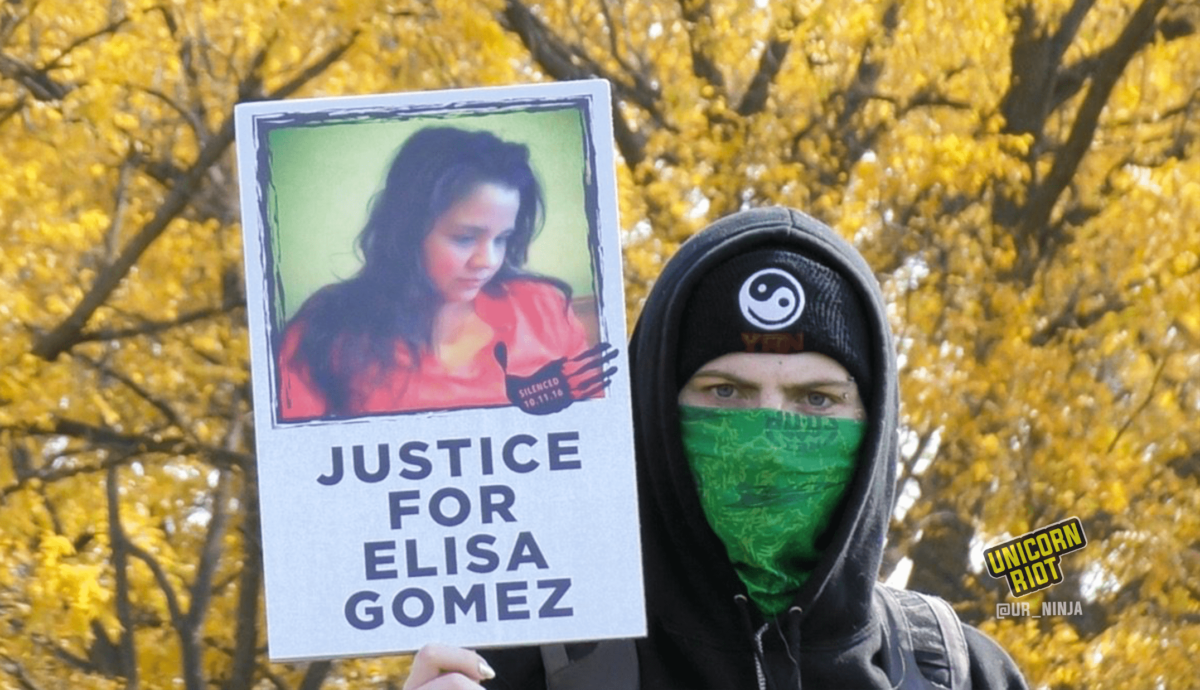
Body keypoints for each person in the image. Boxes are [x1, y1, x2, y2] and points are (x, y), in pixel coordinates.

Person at [402, 207, 1028, 688]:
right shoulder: (519, 668)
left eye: (816, 400)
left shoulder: (962, 673)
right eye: (726, 392)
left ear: (875, 424)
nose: (769, 443)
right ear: (655, 411)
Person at [277, 126, 595, 420]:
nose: (488, 260)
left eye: (502, 239)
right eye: (464, 238)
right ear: (407, 228)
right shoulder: (327, 329)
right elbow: (300, 465)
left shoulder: (544, 310)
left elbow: (600, 441)